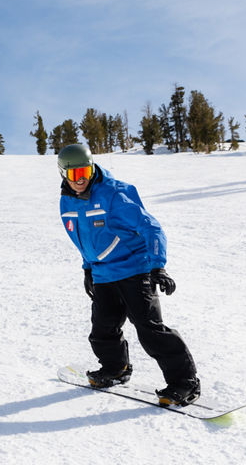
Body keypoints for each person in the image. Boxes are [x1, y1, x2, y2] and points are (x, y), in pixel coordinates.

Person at [57, 143, 199, 406]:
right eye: (75, 175)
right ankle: (116, 369)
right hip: (102, 275)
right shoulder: (66, 201)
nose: (82, 180)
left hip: (135, 269)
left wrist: (158, 265)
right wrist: (88, 268)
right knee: (102, 329)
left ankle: (185, 383)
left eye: (86, 172)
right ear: (63, 174)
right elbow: (83, 239)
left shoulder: (114, 194)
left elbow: (152, 228)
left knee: (150, 330)